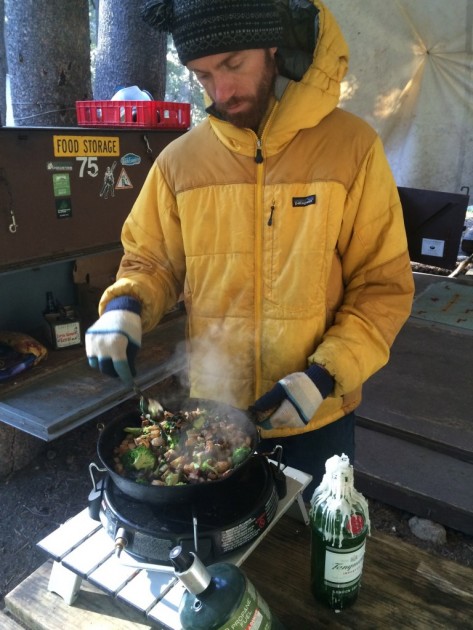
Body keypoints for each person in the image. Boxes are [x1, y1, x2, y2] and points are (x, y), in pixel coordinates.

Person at [85, 0, 415, 499]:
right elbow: (150, 260)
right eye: (202, 76)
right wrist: (126, 305)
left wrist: (324, 375)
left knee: (302, 555)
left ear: (273, 46)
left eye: (234, 64)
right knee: (214, 557)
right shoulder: (180, 163)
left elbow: (382, 286)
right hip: (211, 415)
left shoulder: (353, 149)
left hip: (314, 418)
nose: (221, 91)